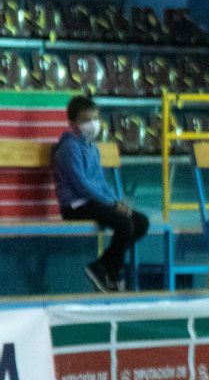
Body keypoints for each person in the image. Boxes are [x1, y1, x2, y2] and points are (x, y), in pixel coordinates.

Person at [52, 95, 148, 292]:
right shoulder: (69, 148)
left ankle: (103, 266)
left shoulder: (92, 149)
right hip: (76, 206)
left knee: (140, 222)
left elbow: (100, 183)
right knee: (124, 223)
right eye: (86, 120)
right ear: (72, 123)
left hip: (96, 204)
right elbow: (82, 185)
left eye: (95, 119)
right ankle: (112, 273)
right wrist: (112, 205)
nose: (92, 124)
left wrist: (116, 202)